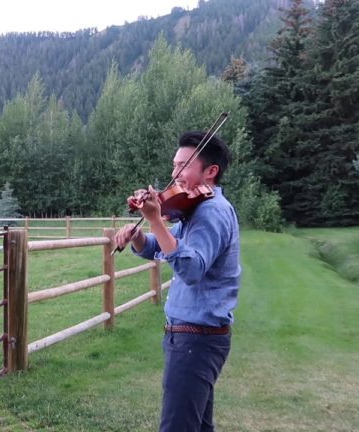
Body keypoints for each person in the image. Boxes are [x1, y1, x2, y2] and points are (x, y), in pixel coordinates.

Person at [115, 131, 241, 432]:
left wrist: (155, 220)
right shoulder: (194, 209)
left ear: (211, 171)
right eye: (174, 165)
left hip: (196, 340)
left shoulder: (211, 212)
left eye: (183, 166)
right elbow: (163, 247)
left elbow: (191, 269)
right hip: (194, 339)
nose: (174, 174)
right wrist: (140, 236)